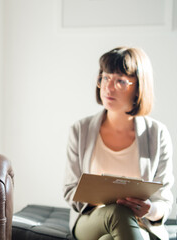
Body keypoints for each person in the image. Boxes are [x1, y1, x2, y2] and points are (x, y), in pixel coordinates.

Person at [63, 47, 174, 240]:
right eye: (105, 78)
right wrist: (100, 199)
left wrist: (149, 209)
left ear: (139, 87)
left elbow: (163, 201)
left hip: (139, 225)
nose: (108, 87)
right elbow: (70, 190)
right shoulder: (80, 130)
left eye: (120, 81)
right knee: (117, 213)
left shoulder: (157, 134)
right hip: (92, 220)